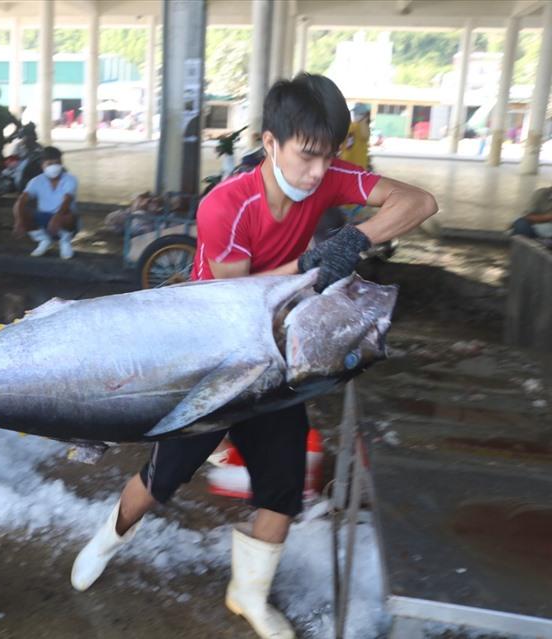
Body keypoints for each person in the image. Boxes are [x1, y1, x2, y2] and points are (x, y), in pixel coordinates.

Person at [69, 73, 437, 639]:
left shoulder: (326, 175)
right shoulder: (226, 207)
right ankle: (109, 535)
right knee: (162, 478)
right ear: (270, 143)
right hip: (211, 353)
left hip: (277, 356)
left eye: (328, 158)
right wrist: (315, 266)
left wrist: (353, 241)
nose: (318, 173)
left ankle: (248, 593)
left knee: (283, 487)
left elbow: (419, 201)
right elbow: (241, 307)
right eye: (307, 156)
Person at [12, 146, 78, 259]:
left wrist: (57, 217)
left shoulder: (70, 179)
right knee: (23, 211)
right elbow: (22, 200)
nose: (54, 167)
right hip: (43, 218)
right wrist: (19, 220)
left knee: (70, 216)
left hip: (64, 218)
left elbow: (67, 200)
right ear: (42, 165)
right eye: (50, 163)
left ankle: (65, 241)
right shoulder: (36, 181)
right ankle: (43, 240)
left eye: (57, 163)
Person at [340, 102, 370, 170]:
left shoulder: (353, 127)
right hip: (360, 166)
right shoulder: (366, 128)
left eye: (355, 113)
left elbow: (343, 145)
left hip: (348, 165)